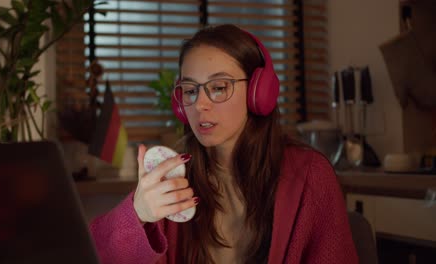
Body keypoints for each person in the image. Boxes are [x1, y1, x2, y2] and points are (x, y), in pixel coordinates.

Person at [89, 24, 358, 264]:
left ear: (258, 93)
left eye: (219, 87)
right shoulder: (173, 177)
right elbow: (93, 253)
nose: (200, 104)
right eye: (191, 90)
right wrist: (138, 214)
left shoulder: (310, 174)